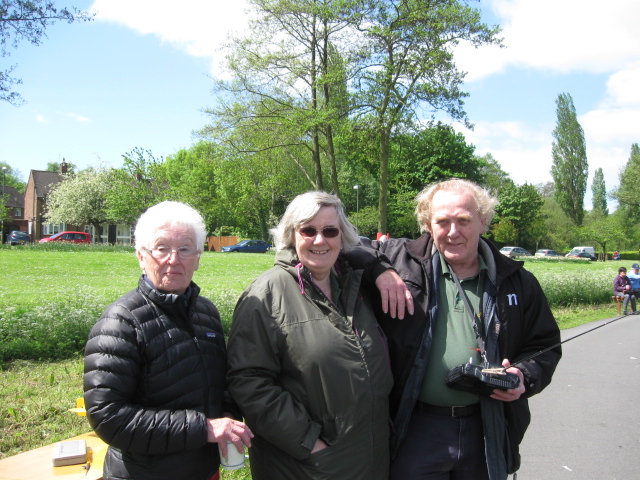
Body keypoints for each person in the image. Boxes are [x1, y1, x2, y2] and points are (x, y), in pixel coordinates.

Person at [347, 179, 562, 480]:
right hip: (414, 426)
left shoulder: (517, 281)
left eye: (463, 220)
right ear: (427, 224)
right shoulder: (399, 260)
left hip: (486, 426)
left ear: (483, 221)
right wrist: (381, 270)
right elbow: (343, 244)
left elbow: (545, 344)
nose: (452, 232)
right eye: (442, 222)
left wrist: (524, 375)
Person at [226, 191, 409, 480]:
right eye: (308, 230)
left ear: (342, 236)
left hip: (370, 457)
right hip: (308, 466)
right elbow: (249, 382)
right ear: (291, 235)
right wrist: (310, 442)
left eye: (330, 231)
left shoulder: (356, 287)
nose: (320, 240)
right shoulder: (266, 294)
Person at [83, 201, 253, 480]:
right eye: (162, 248)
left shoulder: (206, 313)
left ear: (198, 257)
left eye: (185, 249)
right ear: (141, 255)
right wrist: (205, 429)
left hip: (204, 470)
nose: (174, 259)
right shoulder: (120, 322)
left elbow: (222, 385)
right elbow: (108, 417)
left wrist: (228, 417)